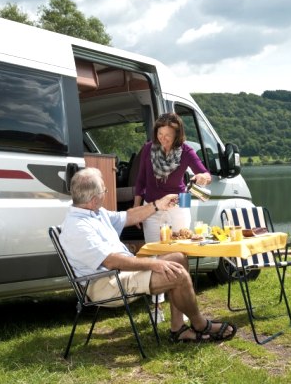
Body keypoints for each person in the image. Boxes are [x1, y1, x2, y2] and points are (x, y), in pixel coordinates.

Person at [60, 167, 236, 344]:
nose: (106, 193)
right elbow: (111, 261)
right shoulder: (79, 227)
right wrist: (152, 264)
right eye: (104, 191)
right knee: (178, 274)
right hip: (105, 283)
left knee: (178, 258)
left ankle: (178, 329)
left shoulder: (95, 213)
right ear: (93, 199)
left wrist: (157, 204)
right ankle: (200, 324)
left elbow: (128, 216)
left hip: (118, 274)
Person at [133, 112, 212, 321]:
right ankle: (157, 307)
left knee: (179, 256)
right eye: (160, 133)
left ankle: (182, 307)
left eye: (168, 135)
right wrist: (137, 210)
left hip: (178, 208)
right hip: (152, 208)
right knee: (154, 256)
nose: (163, 139)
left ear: (177, 135)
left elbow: (205, 173)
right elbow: (140, 181)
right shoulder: (149, 149)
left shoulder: (185, 151)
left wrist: (201, 178)